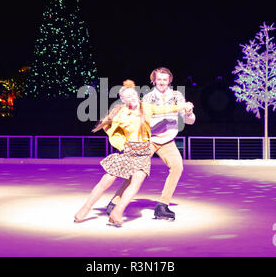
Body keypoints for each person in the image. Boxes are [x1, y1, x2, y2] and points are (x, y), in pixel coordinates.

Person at [74, 79, 193, 227]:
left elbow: (167, 109)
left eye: (133, 95)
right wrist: (120, 143)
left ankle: (117, 212)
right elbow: (106, 125)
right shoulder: (120, 112)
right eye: (127, 97)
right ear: (123, 100)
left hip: (143, 153)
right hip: (127, 152)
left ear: (137, 95)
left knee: (136, 182)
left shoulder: (147, 108)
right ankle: (85, 208)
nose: (131, 98)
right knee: (107, 179)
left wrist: (184, 105)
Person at [106, 67, 196, 221]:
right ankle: (115, 202)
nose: (162, 82)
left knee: (177, 166)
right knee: (134, 170)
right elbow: (145, 121)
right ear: (154, 80)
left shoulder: (177, 96)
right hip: (147, 140)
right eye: (159, 79)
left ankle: (162, 205)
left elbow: (190, 121)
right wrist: (164, 117)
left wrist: (188, 112)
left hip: (167, 141)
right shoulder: (147, 98)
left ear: (169, 80)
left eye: (165, 79)